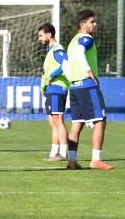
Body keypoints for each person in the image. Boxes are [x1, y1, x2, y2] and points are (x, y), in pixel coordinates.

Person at [63, 10, 114, 170]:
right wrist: (89, 71)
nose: (95, 24)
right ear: (82, 24)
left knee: (76, 125)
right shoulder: (87, 39)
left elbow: (65, 63)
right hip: (86, 85)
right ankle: (96, 160)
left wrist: (71, 77)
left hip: (75, 87)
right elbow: (80, 52)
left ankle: (72, 161)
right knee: (100, 121)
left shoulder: (72, 41)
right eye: (92, 22)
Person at [37, 23, 68, 162]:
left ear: (49, 35)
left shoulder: (57, 49)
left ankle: (63, 152)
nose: (39, 38)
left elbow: (66, 63)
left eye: (41, 35)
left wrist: (52, 76)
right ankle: (54, 152)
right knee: (53, 121)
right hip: (51, 89)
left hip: (57, 87)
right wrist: (44, 87)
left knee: (58, 120)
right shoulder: (51, 50)